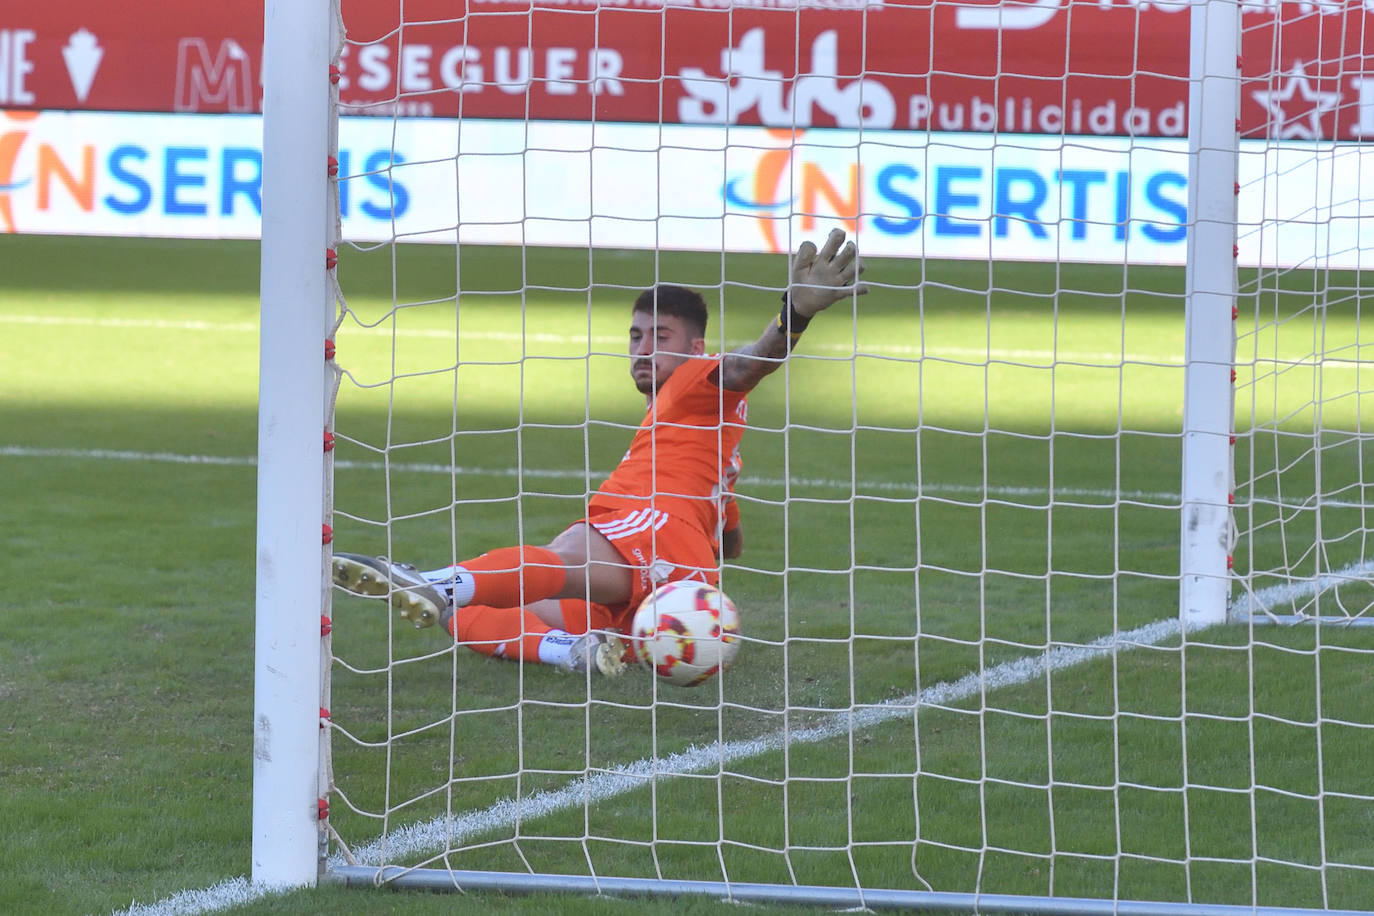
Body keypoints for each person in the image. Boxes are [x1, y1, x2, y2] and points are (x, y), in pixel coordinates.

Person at [332, 228, 866, 675]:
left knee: (565, 556)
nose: (642, 349)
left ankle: (438, 582)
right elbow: (732, 543)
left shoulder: (696, 381)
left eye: (661, 335)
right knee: (478, 614)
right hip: (678, 590)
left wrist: (793, 315)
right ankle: (570, 651)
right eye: (635, 336)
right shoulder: (708, 435)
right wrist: (711, 521)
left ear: (696, 348)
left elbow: (748, 364)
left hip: (650, 528)